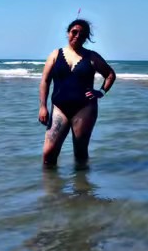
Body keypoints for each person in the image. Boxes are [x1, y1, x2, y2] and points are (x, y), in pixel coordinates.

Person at [38, 19, 116, 167]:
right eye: (74, 32)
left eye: (82, 34)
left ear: (86, 38)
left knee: (80, 153)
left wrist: (101, 92)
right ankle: (50, 182)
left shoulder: (92, 57)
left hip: (84, 109)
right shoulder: (55, 54)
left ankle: (81, 182)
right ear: (68, 32)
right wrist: (43, 107)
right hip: (59, 109)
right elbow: (45, 81)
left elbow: (110, 75)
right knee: (48, 154)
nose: (77, 36)